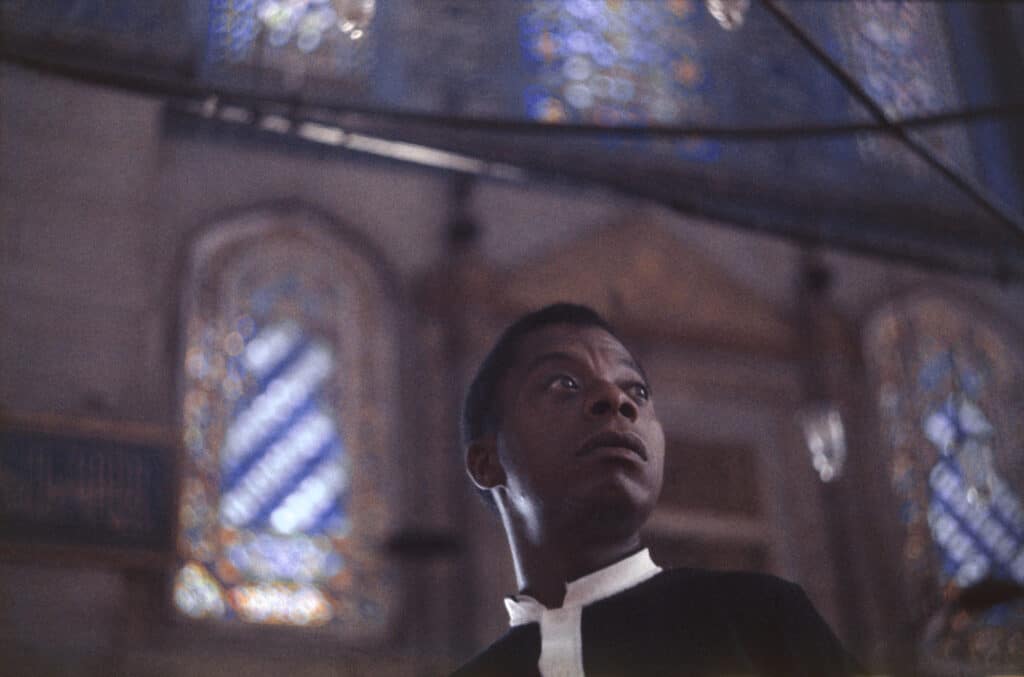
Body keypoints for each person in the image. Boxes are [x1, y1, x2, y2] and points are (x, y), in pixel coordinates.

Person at [452, 303, 863, 676]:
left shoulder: (761, 619)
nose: (616, 399)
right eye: (564, 384)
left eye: (638, 391)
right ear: (487, 463)